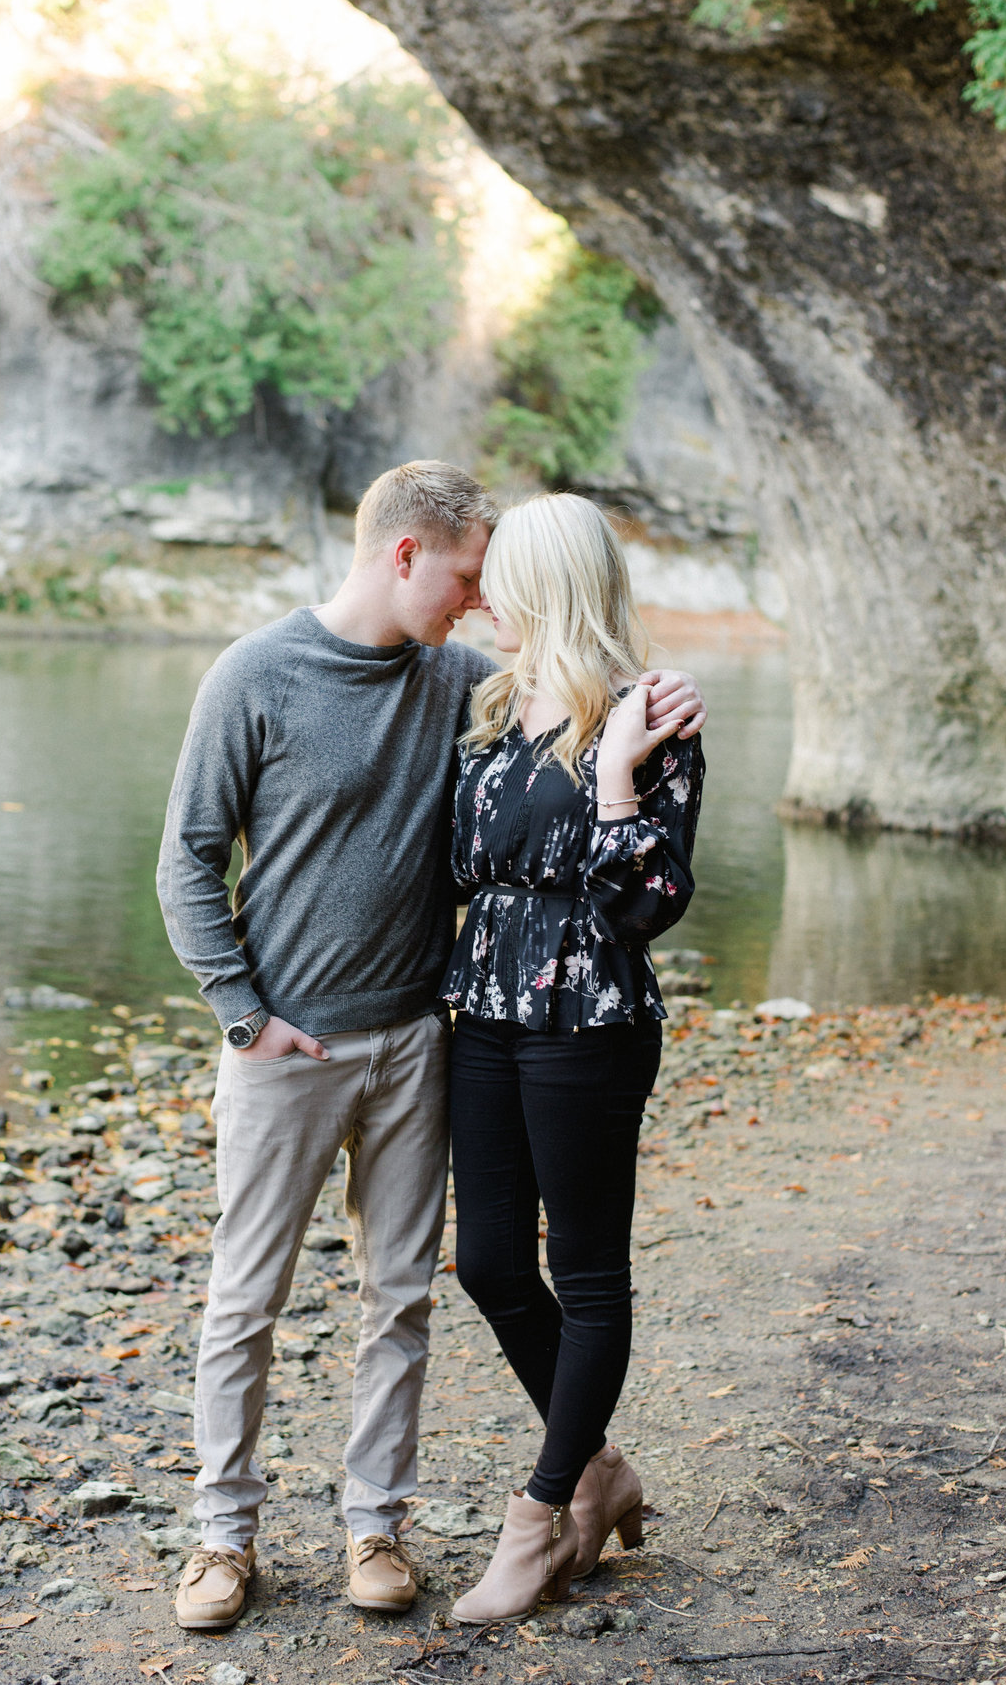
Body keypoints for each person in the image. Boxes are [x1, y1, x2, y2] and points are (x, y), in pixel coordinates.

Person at [156, 460, 707, 1632]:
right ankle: (221, 1538)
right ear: (407, 556)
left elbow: (630, 838)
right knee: (264, 1293)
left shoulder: (513, 694)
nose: (473, 603)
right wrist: (242, 1013)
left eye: (493, 584)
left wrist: (631, 741)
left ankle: (386, 1527)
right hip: (313, 1043)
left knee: (405, 1292)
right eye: (466, 578)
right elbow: (187, 859)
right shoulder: (295, 678)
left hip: (443, 1034)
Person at [440, 493, 704, 1624]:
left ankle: (540, 1516)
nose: (482, 594)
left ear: (547, 583)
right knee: (490, 1261)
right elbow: (460, 867)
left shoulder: (655, 713)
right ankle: (601, 1468)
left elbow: (647, 903)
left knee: (587, 1270)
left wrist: (611, 779)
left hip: (590, 1017)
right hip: (486, 1008)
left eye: (499, 575)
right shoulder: (495, 705)